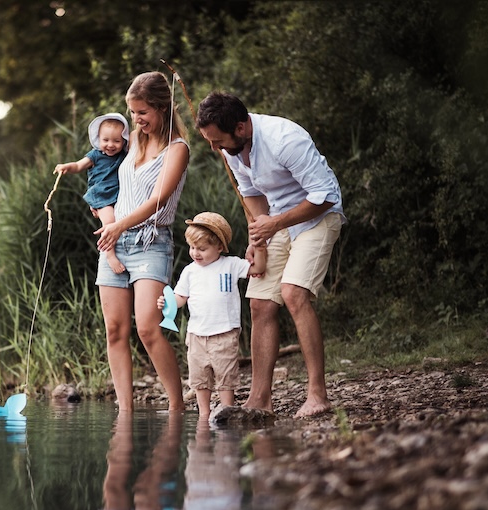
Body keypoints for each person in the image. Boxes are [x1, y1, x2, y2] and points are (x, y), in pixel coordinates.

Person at [196, 92, 346, 418]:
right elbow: (251, 194)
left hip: (318, 217)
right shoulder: (231, 149)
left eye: (218, 141)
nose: (215, 148)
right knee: (260, 302)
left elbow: (324, 196)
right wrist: (258, 236)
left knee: (293, 293)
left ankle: (317, 395)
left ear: (240, 127)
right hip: (278, 221)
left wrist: (274, 223)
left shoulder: (284, 139)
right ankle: (260, 399)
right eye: (210, 141)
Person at [95, 71, 190, 412]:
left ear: (162, 108)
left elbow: (158, 201)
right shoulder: (131, 139)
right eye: (133, 112)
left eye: (142, 112)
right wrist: (107, 219)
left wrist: (118, 225)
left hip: (152, 242)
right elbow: (101, 179)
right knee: (115, 330)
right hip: (115, 242)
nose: (136, 120)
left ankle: (177, 406)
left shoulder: (178, 149)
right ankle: (125, 411)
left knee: (149, 328)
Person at [157, 211, 266, 418]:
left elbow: (258, 268)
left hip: (224, 333)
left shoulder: (231, 264)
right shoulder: (190, 271)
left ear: (219, 247)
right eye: (192, 248)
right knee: (199, 377)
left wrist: (259, 247)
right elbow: (180, 297)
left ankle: (226, 410)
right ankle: (204, 414)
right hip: (197, 334)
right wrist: (167, 302)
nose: (195, 253)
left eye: (202, 249)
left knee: (226, 375)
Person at [54, 113, 131, 274]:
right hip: (101, 195)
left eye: (116, 141)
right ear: (98, 139)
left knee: (121, 220)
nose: (110, 145)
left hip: (119, 195)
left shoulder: (124, 156)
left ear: (124, 140)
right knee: (109, 222)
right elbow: (78, 165)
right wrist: (67, 167)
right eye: (106, 140)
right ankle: (109, 254)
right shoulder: (95, 155)